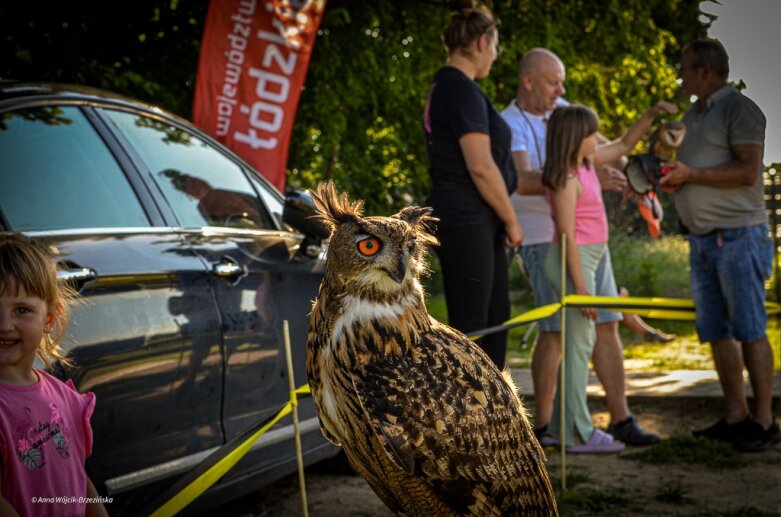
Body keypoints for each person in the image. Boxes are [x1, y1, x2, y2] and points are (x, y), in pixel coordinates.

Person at [501, 48, 662, 446]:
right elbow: (521, 180)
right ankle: (549, 427)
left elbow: (616, 146)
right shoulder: (511, 125)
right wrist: (571, 177)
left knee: (606, 323)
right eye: (555, 82)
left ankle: (619, 418)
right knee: (558, 334)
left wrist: (640, 183)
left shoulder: (569, 117)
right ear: (529, 81)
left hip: (590, 243)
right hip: (548, 240)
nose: (562, 89)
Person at [661, 38, 780, 451]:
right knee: (717, 332)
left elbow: (748, 171)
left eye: (686, 68)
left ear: (706, 72)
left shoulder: (740, 110)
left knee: (749, 330)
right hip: (701, 242)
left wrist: (689, 174)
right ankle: (735, 415)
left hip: (739, 237)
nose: (681, 75)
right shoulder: (694, 114)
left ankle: (764, 421)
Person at [541, 102, 675, 452]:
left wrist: (649, 115)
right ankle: (577, 434)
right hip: (575, 261)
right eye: (590, 135)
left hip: (588, 258)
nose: (596, 140)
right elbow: (567, 235)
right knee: (579, 347)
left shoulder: (585, 164)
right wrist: (583, 291)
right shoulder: (566, 179)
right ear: (574, 139)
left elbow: (623, 146)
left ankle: (559, 428)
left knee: (578, 345)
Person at [423, 0, 523, 369]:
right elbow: (480, 166)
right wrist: (512, 220)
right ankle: (466, 421)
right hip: (467, 220)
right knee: (474, 332)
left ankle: (491, 418)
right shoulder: (458, 89)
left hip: (474, 220)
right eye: (495, 47)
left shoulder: (455, 87)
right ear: (482, 42)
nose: (495, 56)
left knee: (493, 323)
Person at [0, 232, 109, 516]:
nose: (4, 325)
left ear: (49, 319)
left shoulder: (63, 397)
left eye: (21, 310)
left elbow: (78, 478)